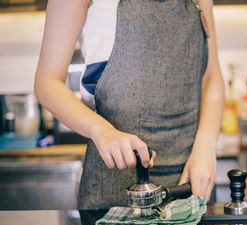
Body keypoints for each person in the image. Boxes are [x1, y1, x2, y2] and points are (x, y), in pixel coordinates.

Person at [34, 0, 224, 209]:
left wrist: (205, 147)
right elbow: (47, 82)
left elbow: (211, 77)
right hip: (116, 188)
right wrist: (101, 130)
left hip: (192, 183)